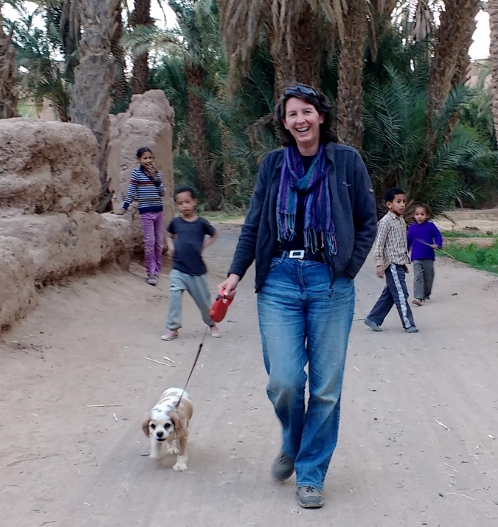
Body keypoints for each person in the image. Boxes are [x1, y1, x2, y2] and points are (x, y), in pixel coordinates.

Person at [218, 84, 376, 509]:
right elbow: (254, 224)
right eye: (292, 114)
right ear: (284, 123)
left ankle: (310, 474)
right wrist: (234, 274)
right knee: (284, 381)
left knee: (325, 388)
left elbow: (367, 221)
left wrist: (346, 268)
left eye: (307, 111)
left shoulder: (346, 160)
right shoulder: (273, 165)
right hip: (280, 281)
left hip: (330, 282)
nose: (300, 119)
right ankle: (293, 440)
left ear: (321, 116)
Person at [162, 186, 220, 341]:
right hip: (179, 268)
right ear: (177, 205)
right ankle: (173, 328)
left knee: (204, 302)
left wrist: (204, 246)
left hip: (196, 271)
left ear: (195, 202)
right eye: (180, 203)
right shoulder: (176, 222)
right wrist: (171, 247)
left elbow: (215, 234)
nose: (184, 206)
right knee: (174, 297)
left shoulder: (201, 223)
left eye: (187, 202)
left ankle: (212, 324)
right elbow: (169, 235)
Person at [363, 188, 418, 333]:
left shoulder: (400, 221)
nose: (402, 205)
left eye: (404, 201)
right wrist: (379, 264)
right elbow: (379, 244)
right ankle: (408, 324)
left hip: (399, 263)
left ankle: (373, 318)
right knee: (401, 294)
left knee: (391, 294)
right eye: (398, 201)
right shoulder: (385, 222)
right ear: (389, 204)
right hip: (392, 265)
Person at [118, 147, 167, 285]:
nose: (148, 160)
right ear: (139, 160)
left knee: (159, 244)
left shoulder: (157, 174)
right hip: (146, 212)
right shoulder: (136, 174)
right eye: (145, 158)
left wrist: (155, 179)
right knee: (149, 242)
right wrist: (124, 207)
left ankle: (157, 271)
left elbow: (163, 193)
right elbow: (131, 192)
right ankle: (150, 273)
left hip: (158, 212)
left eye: (150, 158)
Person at [407, 202, 443, 306]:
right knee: (418, 276)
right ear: (414, 215)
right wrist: (405, 253)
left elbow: (438, 236)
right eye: (417, 214)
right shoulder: (412, 228)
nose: (419, 216)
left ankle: (426, 294)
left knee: (428, 277)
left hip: (428, 257)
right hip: (416, 257)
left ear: (427, 215)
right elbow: (408, 241)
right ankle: (418, 297)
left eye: (422, 214)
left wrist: (437, 244)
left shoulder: (431, 226)